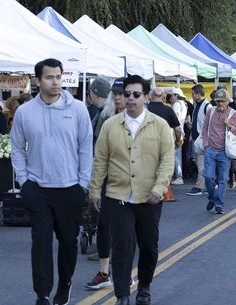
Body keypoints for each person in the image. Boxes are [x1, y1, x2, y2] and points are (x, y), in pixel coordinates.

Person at [10, 58, 93, 305]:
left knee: (68, 241)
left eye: (58, 77)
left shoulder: (77, 109)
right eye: (49, 77)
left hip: (70, 188)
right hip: (37, 188)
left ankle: (64, 284)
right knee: (42, 240)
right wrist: (24, 181)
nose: (55, 81)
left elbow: (85, 147)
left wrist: (83, 183)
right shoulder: (25, 112)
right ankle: (42, 294)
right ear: (38, 81)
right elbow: (16, 147)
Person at [90, 75, 174, 305]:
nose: (130, 99)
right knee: (121, 247)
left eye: (136, 94)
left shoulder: (160, 125)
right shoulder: (110, 125)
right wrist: (95, 190)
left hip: (150, 197)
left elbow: (167, 160)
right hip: (118, 196)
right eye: (126, 94)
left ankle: (144, 286)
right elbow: (100, 161)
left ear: (146, 98)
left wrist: (159, 188)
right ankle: (122, 295)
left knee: (148, 246)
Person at [85, 77, 137, 290]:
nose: (118, 98)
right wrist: (94, 187)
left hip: (131, 181)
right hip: (107, 180)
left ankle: (126, 273)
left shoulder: (139, 120)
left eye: (122, 93)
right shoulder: (104, 117)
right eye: (114, 94)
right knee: (103, 225)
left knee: (126, 230)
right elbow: (96, 151)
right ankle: (104, 272)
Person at [202, 89, 236, 214]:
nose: (219, 104)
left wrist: (230, 125)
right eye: (217, 101)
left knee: (223, 179)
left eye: (222, 101)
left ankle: (219, 204)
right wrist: (206, 144)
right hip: (210, 149)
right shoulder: (211, 111)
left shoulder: (233, 114)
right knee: (208, 176)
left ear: (227, 101)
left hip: (224, 151)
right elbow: (204, 128)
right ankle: (212, 198)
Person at [187, 84, 212, 196]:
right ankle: (209, 184)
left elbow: (211, 123)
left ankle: (199, 186)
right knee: (199, 163)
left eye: (193, 93)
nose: (192, 96)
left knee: (201, 164)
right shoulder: (197, 105)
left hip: (203, 139)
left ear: (198, 94)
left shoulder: (207, 106)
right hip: (197, 138)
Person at [169, 88, 187, 185]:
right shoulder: (183, 104)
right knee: (177, 155)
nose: (171, 97)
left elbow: (176, 118)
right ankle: (178, 176)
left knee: (175, 155)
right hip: (180, 131)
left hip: (176, 131)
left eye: (172, 95)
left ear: (176, 95)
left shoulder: (176, 104)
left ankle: (179, 176)